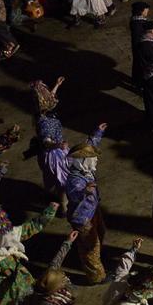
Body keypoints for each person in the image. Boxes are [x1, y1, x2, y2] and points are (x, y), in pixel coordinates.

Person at [64, 122, 109, 284]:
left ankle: (96, 259)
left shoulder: (85, 169)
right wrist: (85, 191)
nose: (95, 162)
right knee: (91, 246)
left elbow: (89, 146)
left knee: (101, 233)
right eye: (92, 160)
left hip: (93, 210)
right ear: (83, 161)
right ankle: (96, 276)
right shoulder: (75, 181)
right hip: (83, 218)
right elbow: (75, 196)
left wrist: (98, 132)